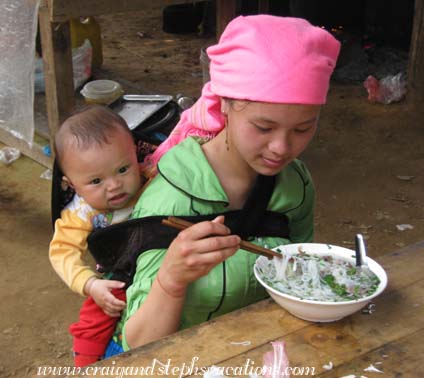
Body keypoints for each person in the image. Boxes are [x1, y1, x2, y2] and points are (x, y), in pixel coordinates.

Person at [105, 15, 341, 354]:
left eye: (302, 129)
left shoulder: (296, 184)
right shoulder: (172, 199)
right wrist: (171, 280)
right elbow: (138, 346)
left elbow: (295, 276)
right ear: (226, 103)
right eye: (263, 127)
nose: (282, 148)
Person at [49, 105, 148, 366]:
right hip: (117, 273)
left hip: (156, 262)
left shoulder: (153, 176)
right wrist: (91, 284)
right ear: (72, 185)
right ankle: (86, 366)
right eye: (95, 181)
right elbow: (62, 252)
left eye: (123, 169)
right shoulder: (83, 211)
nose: (114, 185)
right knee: (95, 318)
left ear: (136, 154)